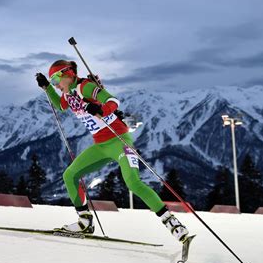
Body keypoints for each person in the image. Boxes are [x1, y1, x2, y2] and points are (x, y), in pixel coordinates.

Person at [36, 59, 189, 243]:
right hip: (100, 146)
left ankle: (172, 223)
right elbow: (61, 106)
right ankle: (85, 221)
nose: (56, 85)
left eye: (55, 80)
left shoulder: (85, 87)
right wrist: (46, 88)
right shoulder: (67, 93)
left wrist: (101, 108)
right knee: (70, 175)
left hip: (119, 140)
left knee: (133, 183)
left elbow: (113, 100)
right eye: (52, 81)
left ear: (68, 74)